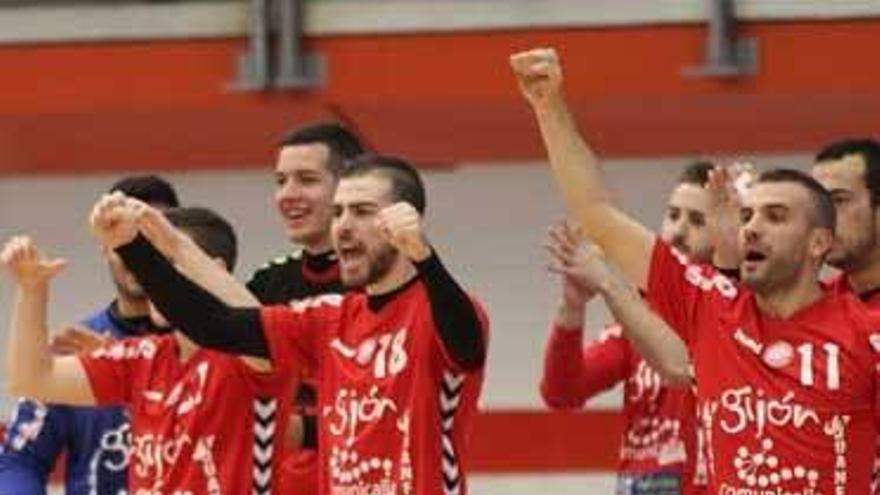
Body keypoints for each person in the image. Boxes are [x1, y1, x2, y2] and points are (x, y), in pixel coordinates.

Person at [512, 47, 880, 494]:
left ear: (819, 243)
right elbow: (597, 211)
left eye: (777, 217)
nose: (753, 230)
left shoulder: (865, 332)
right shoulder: (711, 308)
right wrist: (549, 108)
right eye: (747, 218)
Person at [105, 154, 489, 495]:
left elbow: (467, 344)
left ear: (405, 219)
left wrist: (423, 255)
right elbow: (214, 324)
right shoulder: (329, 319)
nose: (343, 226)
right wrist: (136, 248)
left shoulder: (443, 309)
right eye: (338, 212)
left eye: (363, 211)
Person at [2, 206, 303, 494]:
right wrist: (32, 289)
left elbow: (259, 327)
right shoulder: (144, 356)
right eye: (146, 263)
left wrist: (175, 243)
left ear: (214, 269)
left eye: (162, 263)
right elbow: (30, 379)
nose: (150, 279)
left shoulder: (248, 360)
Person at [540, 161, 717, 495]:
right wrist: (572, 307)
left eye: (697, 221)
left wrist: (607, 282)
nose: (678, 231)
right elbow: (561, 393)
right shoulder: (639, 315)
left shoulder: (735, 317)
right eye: (673, 215)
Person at [0, 175, 179, 495]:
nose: (140, 254)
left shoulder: (212, 344)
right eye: (126, 239)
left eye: (150, 238)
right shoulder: (73, 350)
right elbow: (21, 460)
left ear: (176, 244)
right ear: (104, 247)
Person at [248, 122, 364, 495]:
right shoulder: (268, 283)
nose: (288, 195)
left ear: (348, 187)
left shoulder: (390, 279)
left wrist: (305, 431)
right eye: (281, 181)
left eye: (306, 179)